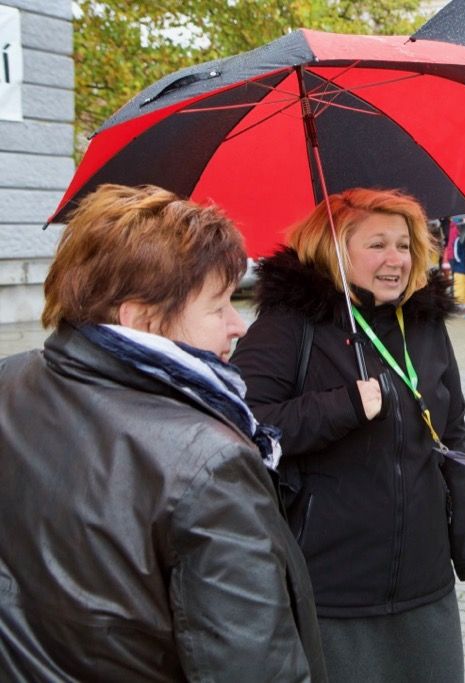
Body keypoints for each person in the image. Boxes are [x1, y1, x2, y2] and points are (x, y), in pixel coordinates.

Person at [0, 184, 325, 681]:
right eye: (218, 306)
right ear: (141, 320)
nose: (238, 325)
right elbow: (252, 665)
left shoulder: (10, 378)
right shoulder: (210, 462)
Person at [231, 187, 465, 682]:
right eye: (376, 245)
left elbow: (450, 436)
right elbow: (241, 426)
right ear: (334, 247)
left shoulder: (423, 322)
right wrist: (343, 405)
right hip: (334, 592)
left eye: (403, 244)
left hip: (425, 584)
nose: (395, 258)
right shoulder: (290, 323)